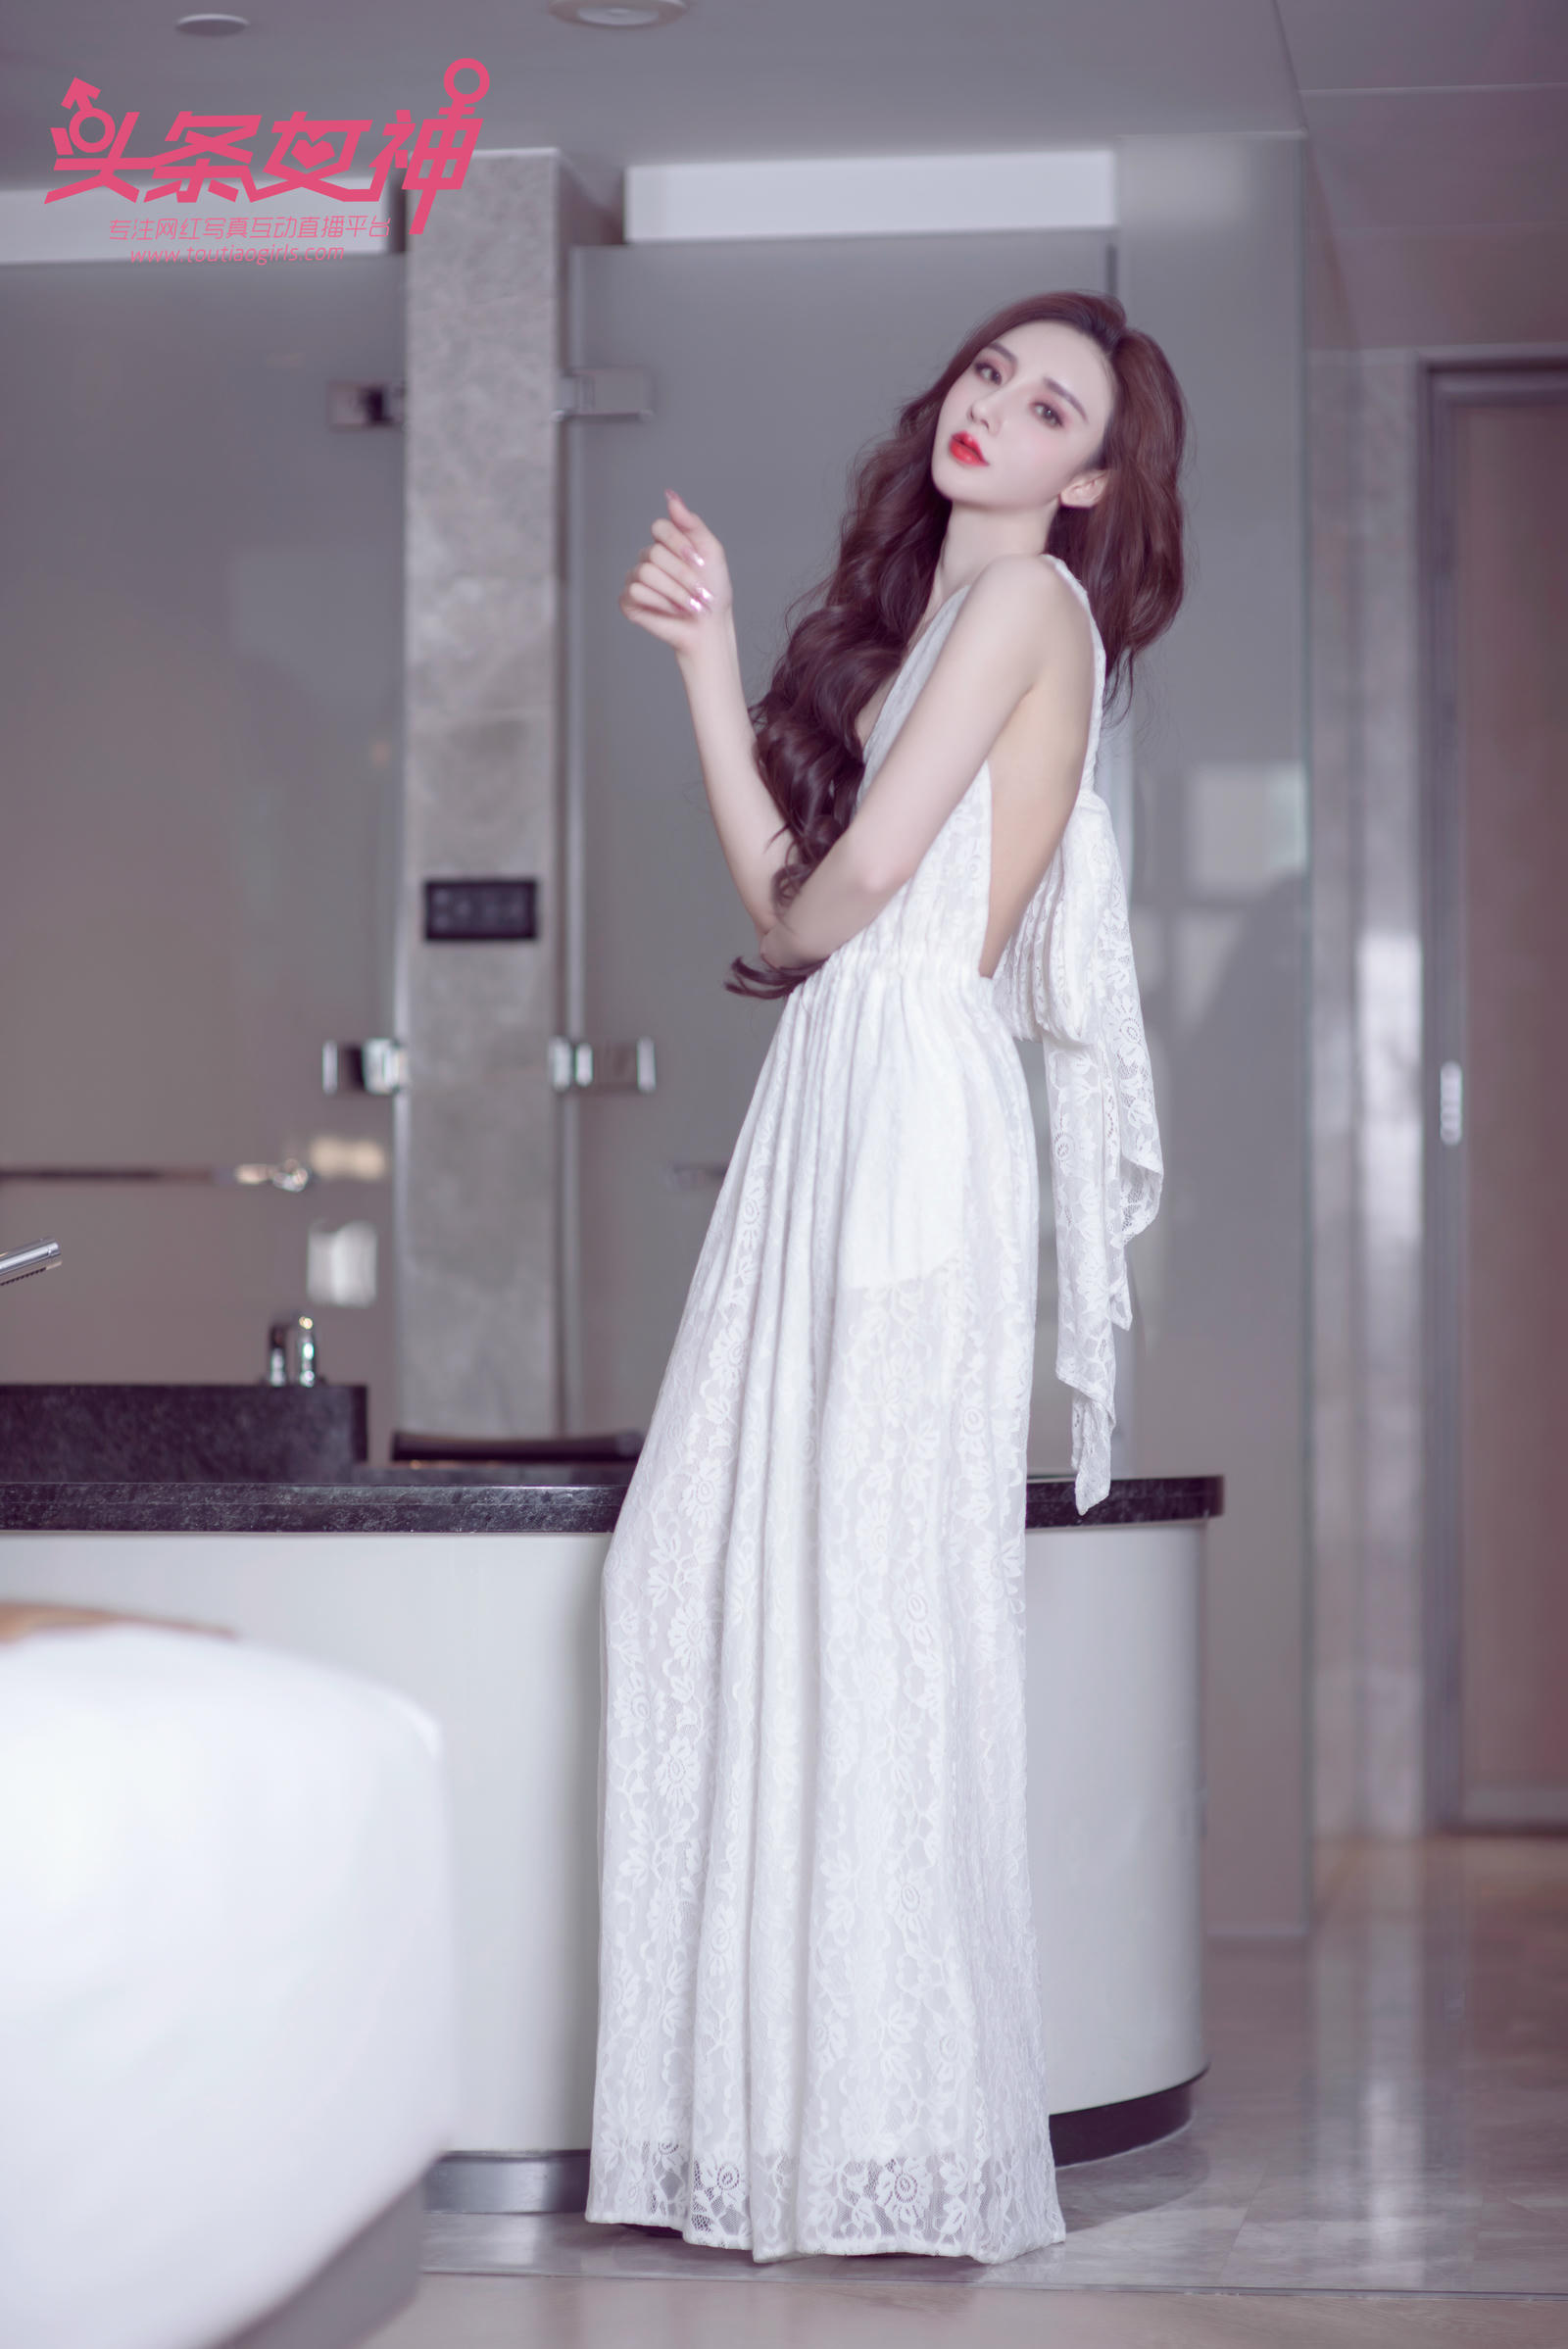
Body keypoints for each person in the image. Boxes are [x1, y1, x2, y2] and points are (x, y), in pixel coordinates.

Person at [583, 291, 1187, 2265]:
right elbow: (793, 899)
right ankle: (786, 2130)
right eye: (990, 372)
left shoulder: (1028, 606)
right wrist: (703, 663)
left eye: (1050, 406)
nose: (995, 408)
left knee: (863, 1591)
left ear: (1089, 479)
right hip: (843, 1084)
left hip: (909, 1099)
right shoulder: (945, 609)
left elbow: (834, 901)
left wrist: (812, 919)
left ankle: (890, 2131)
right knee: (728, 1568)